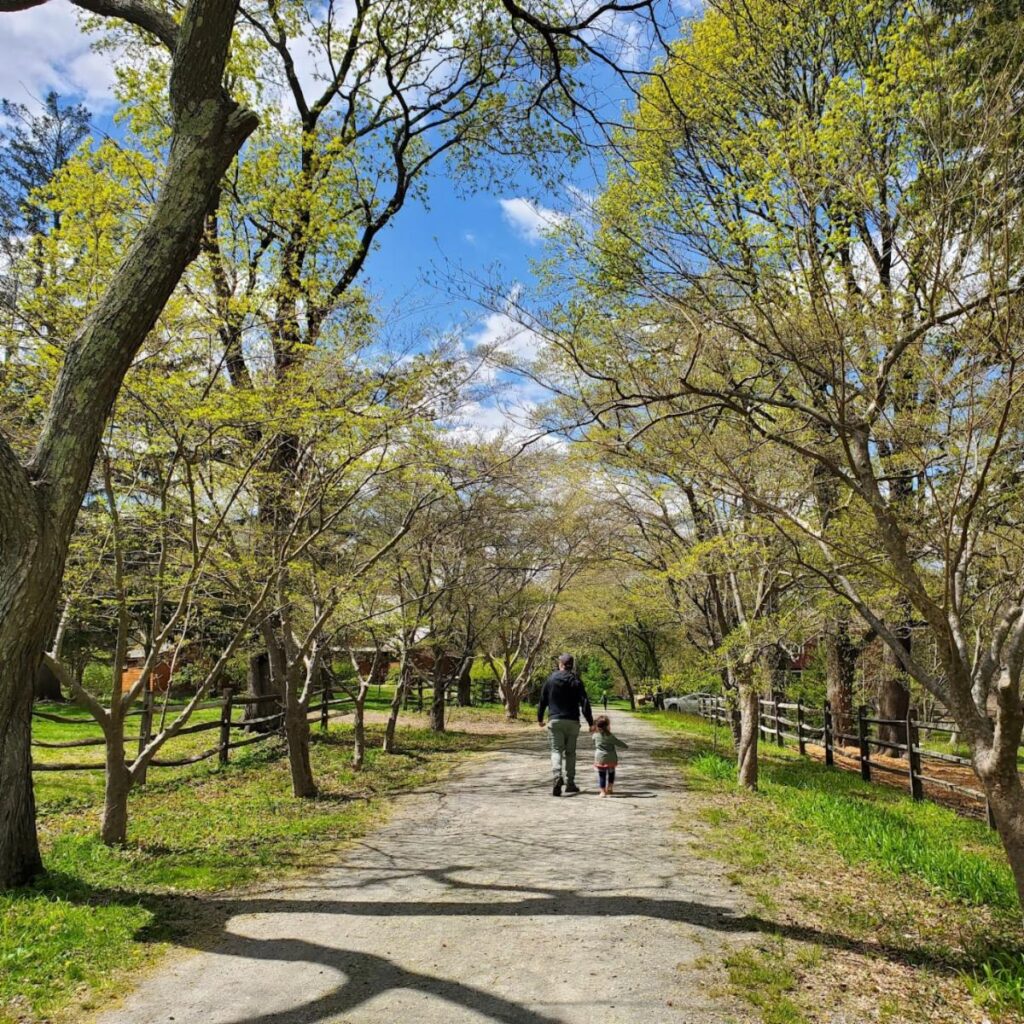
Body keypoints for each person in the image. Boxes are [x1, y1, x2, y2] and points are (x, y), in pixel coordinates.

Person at [537, 653, 593, 796]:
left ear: (560, 664)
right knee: (570, 753)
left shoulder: (550, 679)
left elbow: (542, 700)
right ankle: (570, 783)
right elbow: (585, 703)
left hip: (555, 721)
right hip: (573, 721)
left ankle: (557, 776)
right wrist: (590, 722)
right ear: (572, 665)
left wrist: (540, 718)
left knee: (556, 750)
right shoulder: (576, 681)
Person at [592, 715, 628, 797]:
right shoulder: (610, 736)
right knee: (611, 773)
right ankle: (610, 788)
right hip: (611, 758)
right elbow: (618, 742)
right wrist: (625, 746)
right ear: (608, 726)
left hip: (600, 758)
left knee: (602, 775)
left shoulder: (595, 735)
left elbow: (594, 743)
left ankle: (602, 792)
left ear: (597, 726)